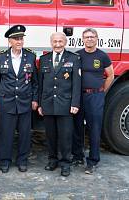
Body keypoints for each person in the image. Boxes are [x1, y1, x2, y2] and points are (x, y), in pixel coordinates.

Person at [0, 25, 38, 173]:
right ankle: (5, 160)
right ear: (9, 41)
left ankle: (22, 160)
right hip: (7, 102)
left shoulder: (30, 57)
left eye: (21, 38)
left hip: (25, 101)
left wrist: (35, 99)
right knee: (6, 133)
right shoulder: (0, 58)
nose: (19, 41)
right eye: (16, 39)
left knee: (25, 134)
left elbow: (35, 82)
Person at [38, 32, 81, 177]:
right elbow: (40, 84)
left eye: (60, 42)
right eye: (55, 41)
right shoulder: (44, 59)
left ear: (65, 42)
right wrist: (39, 104)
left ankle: (65, 163)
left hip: (65, 104)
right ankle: (52, 160)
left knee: (65, 136)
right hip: (48, 104)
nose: (57, 44)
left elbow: (77, 83)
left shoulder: (73, 58)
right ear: (51, 43)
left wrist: (75, 103)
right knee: (50, 136)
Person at [72, 28, 114, 174]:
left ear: (97, 38)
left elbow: (110, 75)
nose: (89, 39)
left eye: (92, 36)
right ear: (82, 39)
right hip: (79, 97)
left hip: (95, 97)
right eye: (86, 37)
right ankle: (77, 156)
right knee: (77, 127)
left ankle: (93, 161)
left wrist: (102, 92)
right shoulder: (77, 55)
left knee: (94, 129)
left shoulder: (103, 56)